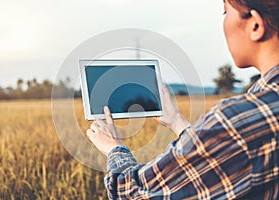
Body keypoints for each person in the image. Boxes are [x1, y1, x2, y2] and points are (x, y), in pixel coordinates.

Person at [87, 0, 279, 199]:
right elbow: (223, 160)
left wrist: (114, 148)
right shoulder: (259, 113)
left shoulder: (237, 120)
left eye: (225, 13)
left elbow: (132, 192)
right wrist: (177, 121)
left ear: (255, 25)